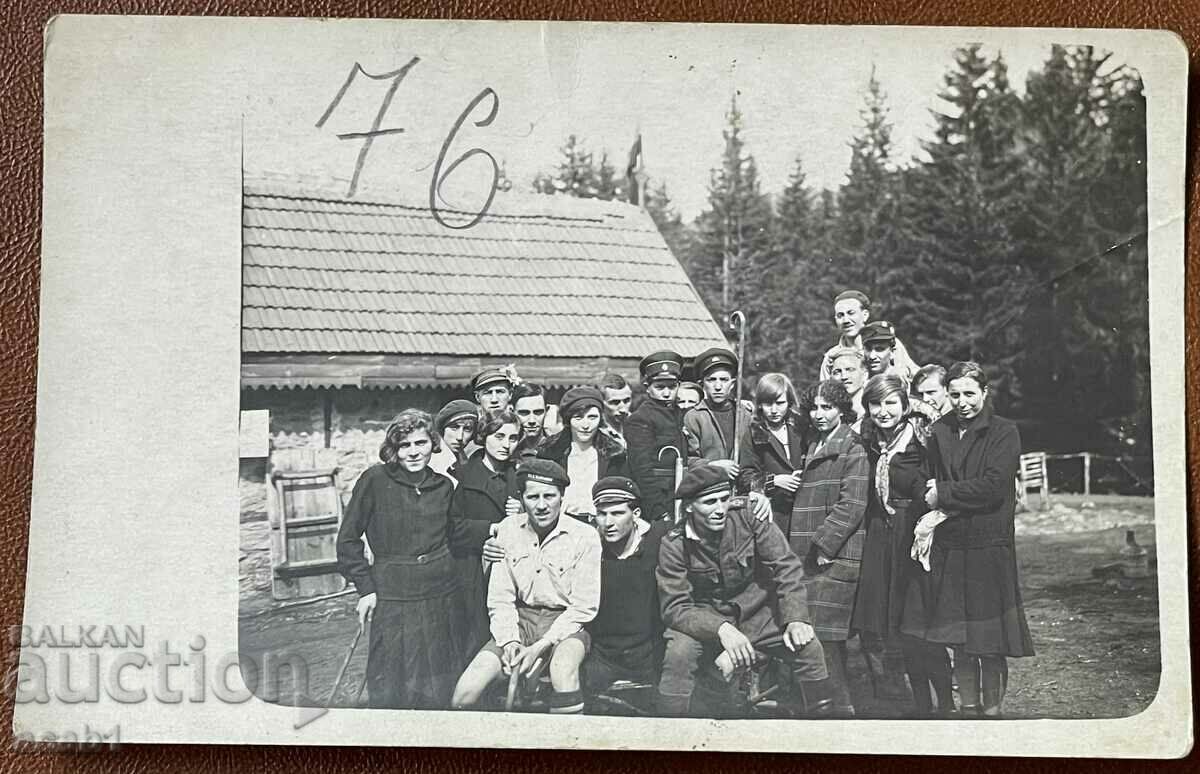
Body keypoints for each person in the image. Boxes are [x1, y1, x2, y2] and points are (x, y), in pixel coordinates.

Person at [901, 361, 1035, 717]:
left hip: (988, 545)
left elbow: (993, 487)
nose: (962, 402)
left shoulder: (1003, 432)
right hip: (951, 544)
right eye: (955, 394)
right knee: (959, 637)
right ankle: (969, 707)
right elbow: (921, 475)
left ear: (985, 393)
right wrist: (925, 490)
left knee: (988, 640)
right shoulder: (940, 431)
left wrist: (942, 493)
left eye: (970, 395)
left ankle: (992, 710)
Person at [655, 463, 834, 717]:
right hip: (706, 619)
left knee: (807, 645)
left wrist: (795, 618)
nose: (720, 509)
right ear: (689, 507)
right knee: (679, 652)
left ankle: (824, 729)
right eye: (709, 502)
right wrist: (720, 628)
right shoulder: (674, 544)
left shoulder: (749, 515)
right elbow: (674, 607)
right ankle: (669, 732)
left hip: (760, 614)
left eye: (724, 499)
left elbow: (786, 567)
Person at [336, 409, 470, 709]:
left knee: (439, 681)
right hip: (393, 594)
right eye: (404, 445)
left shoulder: (444, 486)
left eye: (420, 443)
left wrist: (499, 529)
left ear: (432, 444)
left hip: (441, 594)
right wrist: (365, 588)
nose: (413, 452)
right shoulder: (374, 480)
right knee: (391, 681)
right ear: (393, 449)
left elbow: (457, 533)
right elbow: (347, 539)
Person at [451, 459, 602, 715]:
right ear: (521, 498)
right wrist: (509, 641)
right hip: (518, 622)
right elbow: (501, 598)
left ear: (562, 496)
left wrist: (541, 646)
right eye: (533, 497)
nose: (541, 505)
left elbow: (584, 607)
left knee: (562, 670)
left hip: (566, 626)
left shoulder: (585, 535)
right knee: (466, 690)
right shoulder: (508, 529)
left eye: (549, 496)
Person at [852, 374, 953, 716]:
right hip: (882, 539)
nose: (883, 411)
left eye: (890, 403)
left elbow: (938, 490)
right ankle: (921, 705)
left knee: (921, 625)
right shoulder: (867, 442)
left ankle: (947, 703)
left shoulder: (921, 442)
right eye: (876, 404)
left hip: (916, 537)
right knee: (897, 627)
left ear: (905, 405)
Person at [786, 379, 869, 716]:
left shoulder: (853, 446)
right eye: (815, 408)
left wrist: (825, 543)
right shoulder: (813, 443)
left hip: (833, 553)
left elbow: (853, 502)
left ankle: (845, 707)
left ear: (842, 410)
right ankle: (829, 705)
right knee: (816, 633)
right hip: (809, 552)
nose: (819, 414)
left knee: (831, 637)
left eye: (828, 407)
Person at [582, 476, 670, 701]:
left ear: (636, 514)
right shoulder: (589, 549)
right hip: (603, 656)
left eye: (618, 513)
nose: (608, 522)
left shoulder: (658, 542)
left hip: (648, 655)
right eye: (602, 514)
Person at [449, 409, 523, 653]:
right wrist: (490, 529)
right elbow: (451, 527)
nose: (506, 445)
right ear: (483, 436)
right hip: (473, 568)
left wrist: (524, 510)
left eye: (513, 438)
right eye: (499, 437)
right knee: (476, 634)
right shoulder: (462, 476)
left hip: (513, 567)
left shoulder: (519, 475)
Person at [537, 386, 630, 523]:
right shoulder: (550, 452)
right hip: (560, 524)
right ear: (568, 420)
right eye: (578, 417)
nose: (586, 425)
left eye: (592, 417)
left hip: (599, 525)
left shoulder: (614, 454)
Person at [624, 350, 689, 523]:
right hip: (659, 502)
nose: (667, 393)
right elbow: (642, 470)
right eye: (660, 387)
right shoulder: (640, 419)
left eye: (672, 387)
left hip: (685, 496)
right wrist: (658, 511)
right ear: (647, 387)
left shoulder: (683, 415)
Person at [737, 373, 807, 525]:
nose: (774, 410)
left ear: (789, 402)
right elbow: (745, 477)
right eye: (768, 404)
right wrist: (773, 481)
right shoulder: (754, 433)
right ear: (760, 404)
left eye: (780, 403)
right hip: (771, 512)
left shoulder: (800, 429)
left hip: (802, 509)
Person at [819, 290, 918, 382]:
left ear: (865, 315)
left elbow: (918, 376)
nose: (846, 320)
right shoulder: (831, 357)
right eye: (840, 315)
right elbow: (824, 392)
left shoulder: (888, 344)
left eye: (851, 313)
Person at [684, 347, 753, 478]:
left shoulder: (744, 415)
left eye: (723, 380)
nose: (718, 387)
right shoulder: (694, 416)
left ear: (732, 384)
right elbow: (688, 460)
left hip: (742, 489)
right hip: (710, 489)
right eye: (711, 380)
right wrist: (714, 465)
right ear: (702, 384)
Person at [429, 400, 479, 479]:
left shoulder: (467, 461)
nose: (459, 437)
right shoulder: (432, 463)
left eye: (467, 429)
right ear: (443, 429)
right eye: (454, 427)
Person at [909, 364, 951, 446]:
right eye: (921, 394)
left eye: (931, 392)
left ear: (947, 389)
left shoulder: (961, 420)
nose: (925, 399)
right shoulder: (921, 421)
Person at [511, 382, 552, 461]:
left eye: (538, 412)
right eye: (524, 413)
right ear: (512, 412)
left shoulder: (558, 448)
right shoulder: (506, 450)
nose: (532, 420)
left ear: (546, 411)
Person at [828, 347, 868, 425]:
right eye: (837, 372)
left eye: (850, 370)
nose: (844, 377)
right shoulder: (827, 414)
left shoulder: (874, 410)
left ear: (864, 375)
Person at [599, 372, 634, 443]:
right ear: (602, 403)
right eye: (615, 402)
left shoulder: (641, 424)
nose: (623, 409)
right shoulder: (595, 431)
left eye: (627, 401)